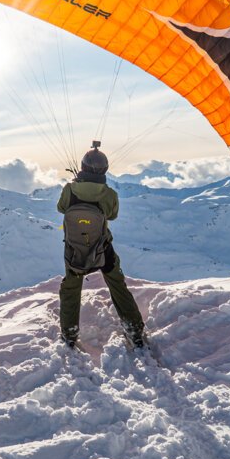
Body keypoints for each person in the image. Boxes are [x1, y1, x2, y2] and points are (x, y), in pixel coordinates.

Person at [57, 143, 146, 349]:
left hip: (75, 249)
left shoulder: (69, 190)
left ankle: (69, 333)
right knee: (116, 284)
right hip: (102, 248)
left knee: (71, 286)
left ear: (83, 166)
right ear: (105, 170)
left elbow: (61, 208)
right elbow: (112, 215)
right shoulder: (109, 194)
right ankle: (134, 328)